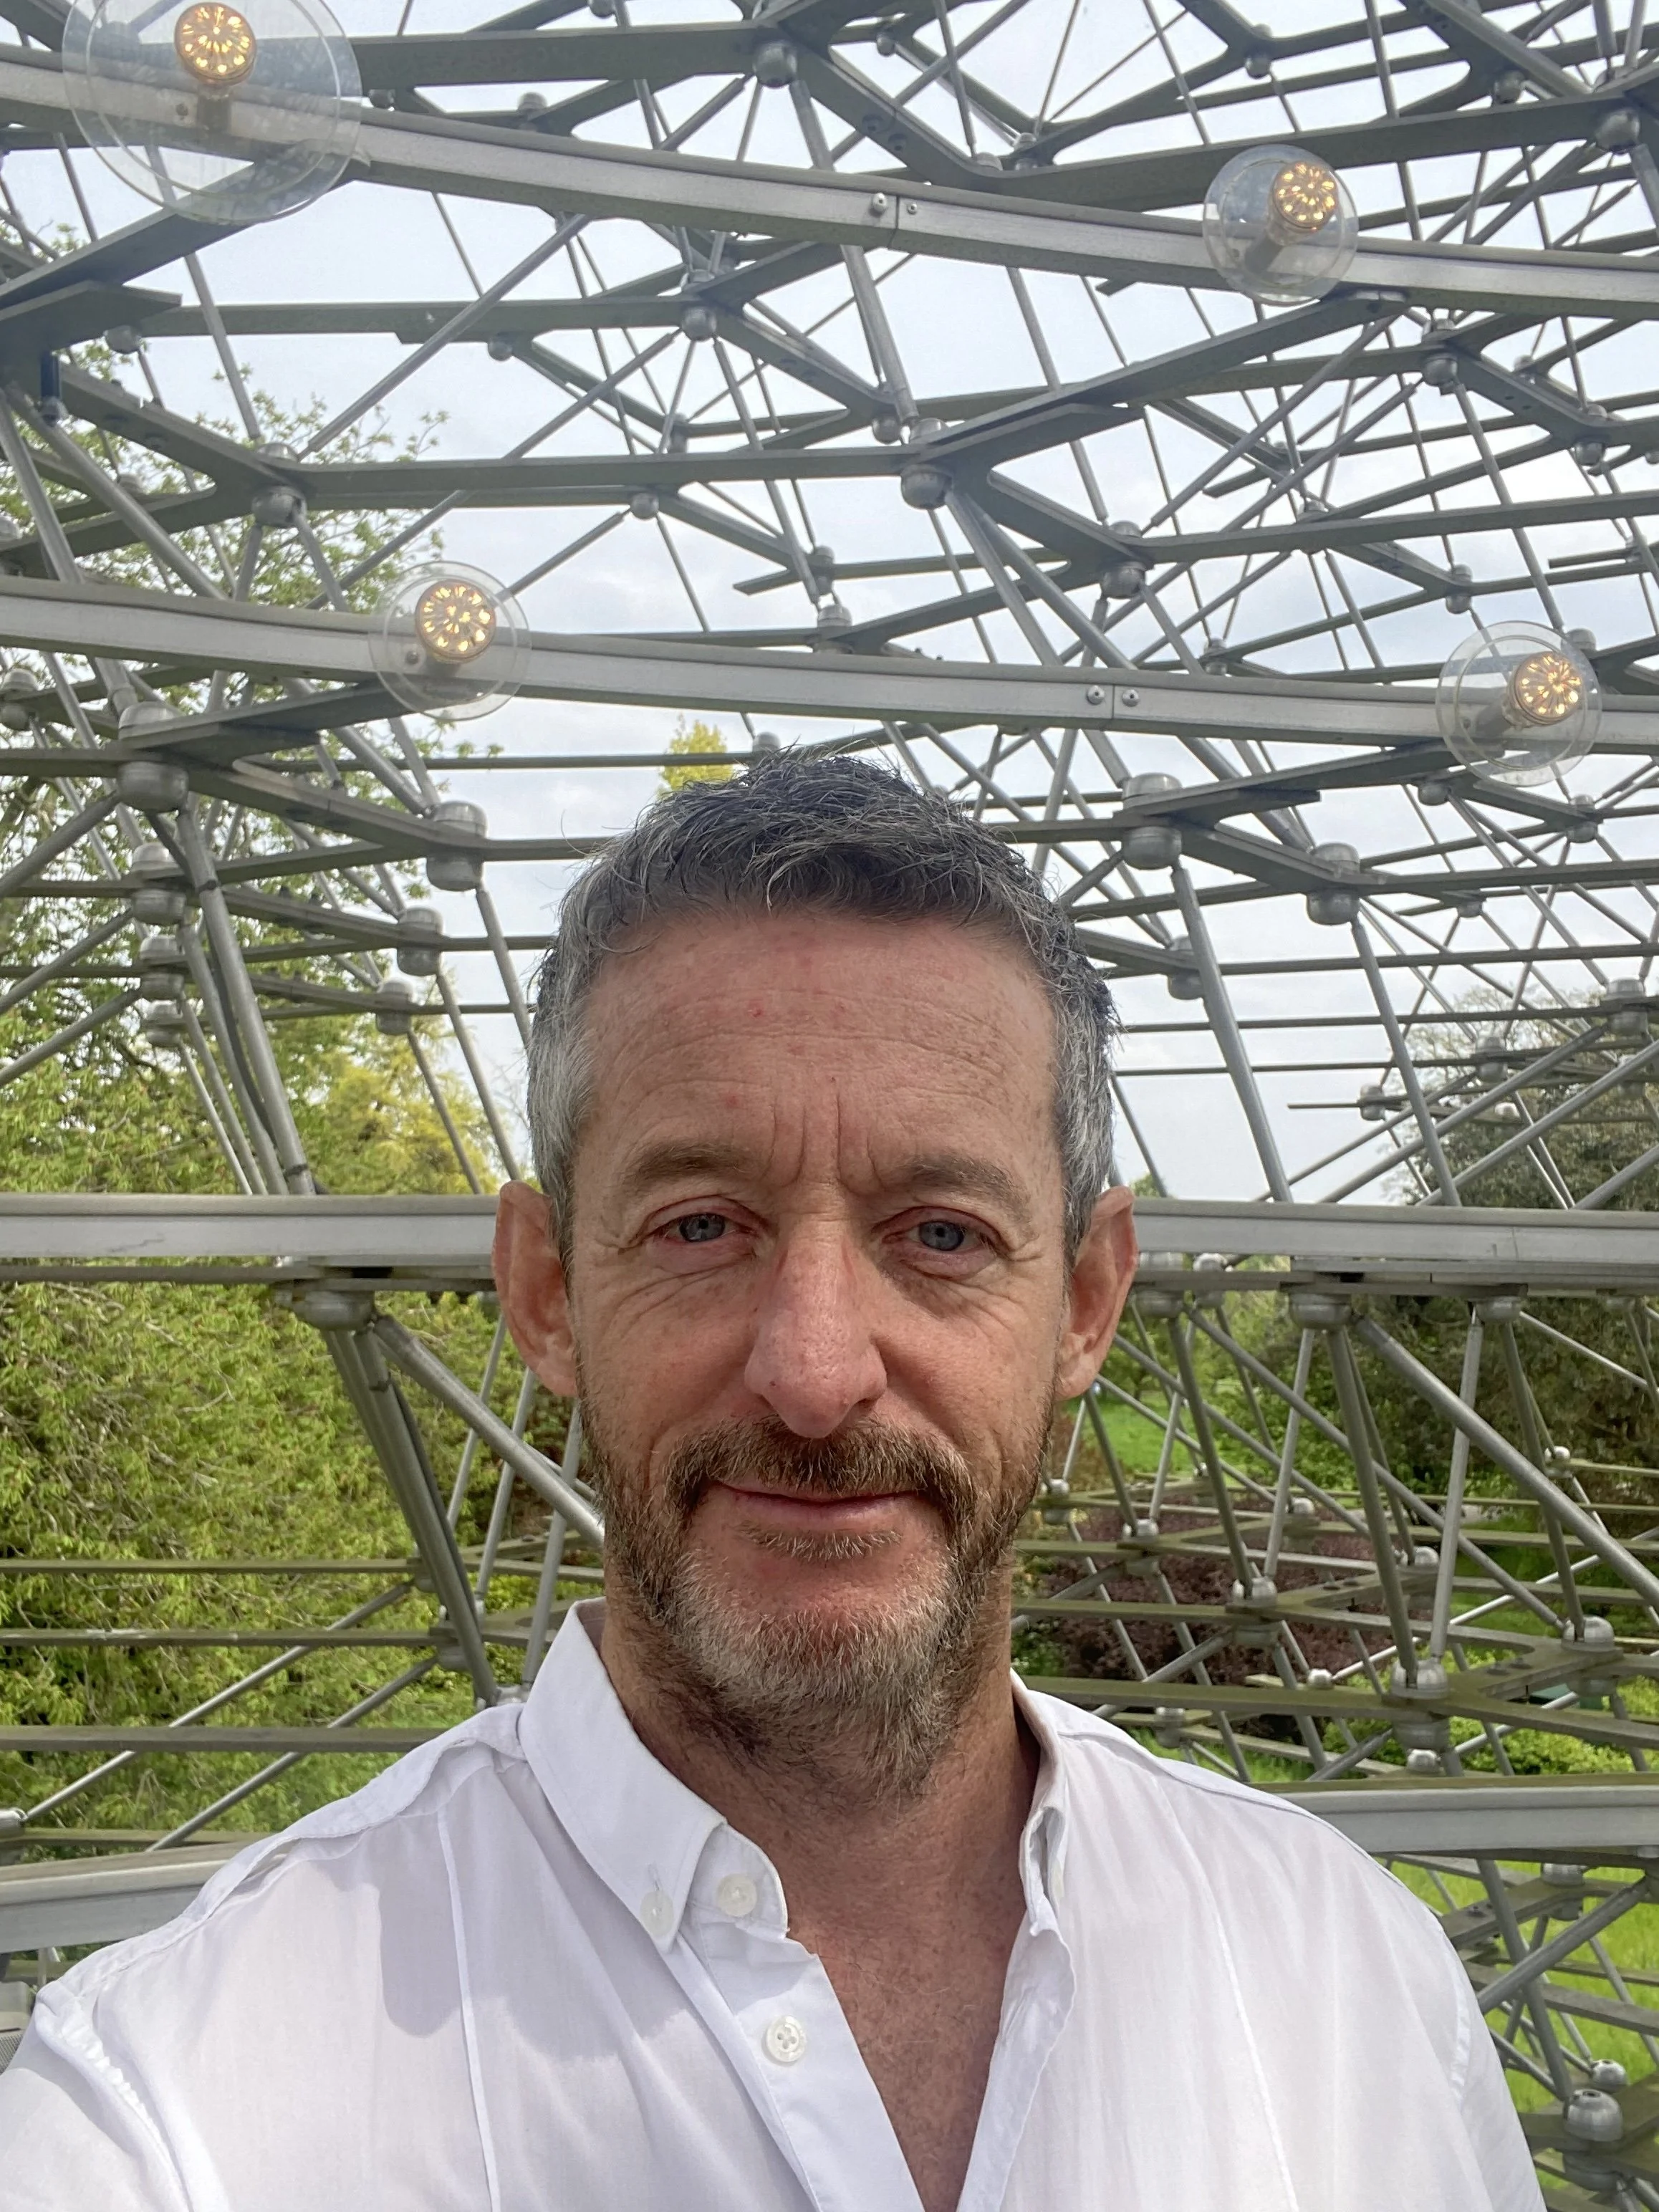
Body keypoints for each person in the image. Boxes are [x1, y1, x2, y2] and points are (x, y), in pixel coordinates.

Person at [0, 752, 1539, 2212]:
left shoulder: (1349, 1979)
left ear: (1083, 1301)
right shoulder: (175, 2107)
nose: (815, 1370)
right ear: (544, 1291)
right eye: (698, 1226)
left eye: (940, 1233)